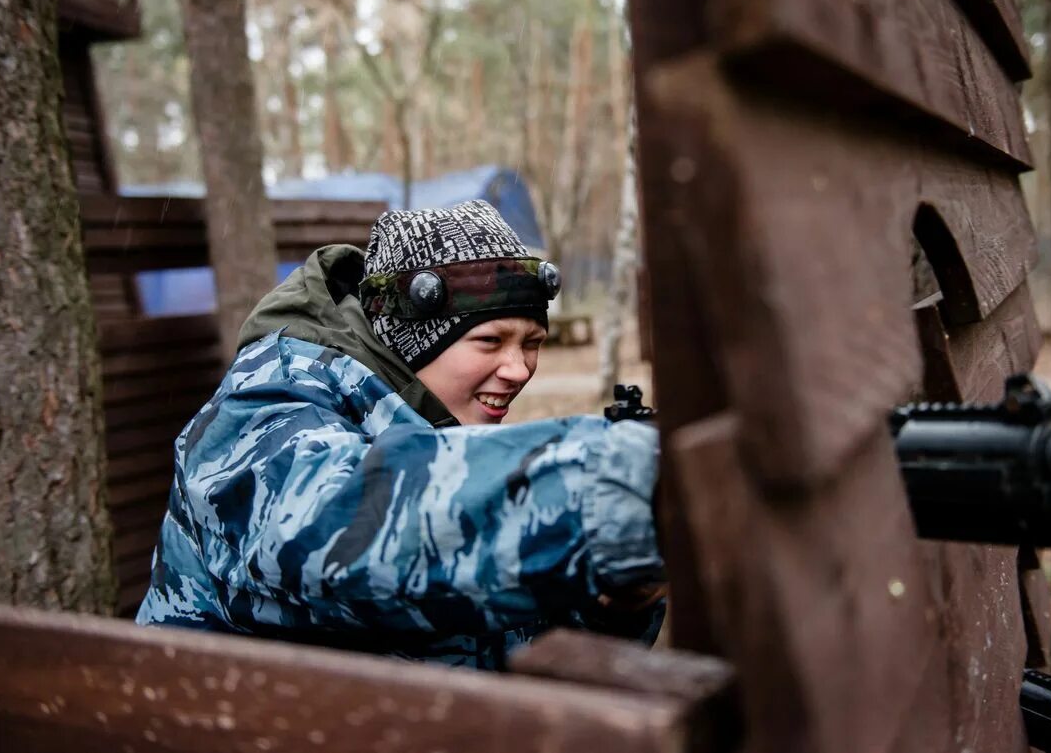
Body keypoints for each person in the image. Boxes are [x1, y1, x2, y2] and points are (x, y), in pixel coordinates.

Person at [136, 199, 664, 669]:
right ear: (411, 340)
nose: (519, 368)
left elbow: (502, 646)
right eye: (490, 340)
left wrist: (614, 603)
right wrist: (602, 487)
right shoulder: (272, 395)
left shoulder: (434, 422)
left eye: (532, 342)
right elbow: (321, 531)